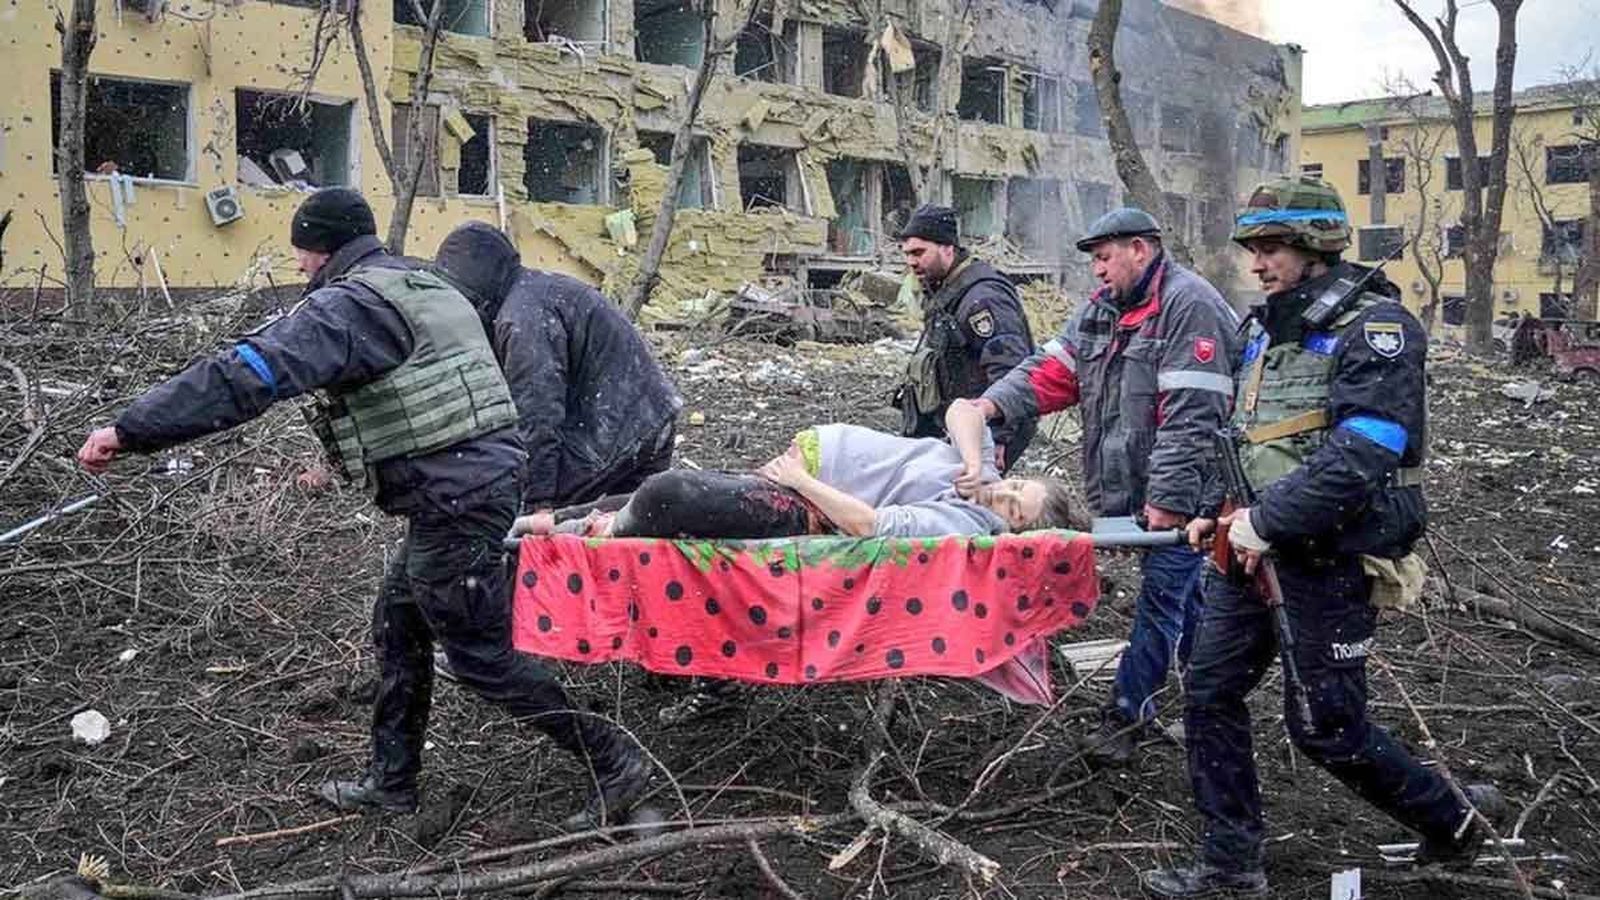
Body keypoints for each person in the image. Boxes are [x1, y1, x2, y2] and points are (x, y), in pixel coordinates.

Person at [75, 188, 650, 831]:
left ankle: (614, 758)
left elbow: (249, 374)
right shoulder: (418, 282)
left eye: (300, 252)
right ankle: (391, 782)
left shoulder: (350, 308)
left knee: (478, 655)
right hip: (471, 483)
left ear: (320, 250)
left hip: (456, 495)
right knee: (398, 622)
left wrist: (131, 431)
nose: (297, 267)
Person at [1141, 177, 1503, 897]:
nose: (1258, 262)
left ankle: (1453, 825)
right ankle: (1230, 865)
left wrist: (1265, 522)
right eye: (1254, 248)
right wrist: (1221, 512)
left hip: (1327, 556)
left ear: (1313, 247)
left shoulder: (1377, 330)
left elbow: (1365, 452)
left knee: (1327, 728)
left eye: (1271, 247)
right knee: (1208, 691)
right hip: (1249, 551)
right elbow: (1249, 440)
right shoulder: (1263, 329)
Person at [953, 207, 1238, 765]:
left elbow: (1194, 416)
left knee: (1162, 597)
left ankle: (1126, 718)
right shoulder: (1103, 311)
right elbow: (1051, 371)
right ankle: (1213, 691)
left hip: (1190, 491)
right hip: (1131, 489)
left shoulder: (1190, 306)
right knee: (1185, 594)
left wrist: (1170, 501)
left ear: (1141, 248)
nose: (1098, 272)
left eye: (1105, 259)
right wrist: (989, 406)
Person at [433, 221, 682, 512]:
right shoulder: (535, 291)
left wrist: (537, 501)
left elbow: (537, 414)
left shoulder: (523, 318)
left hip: (619, 428)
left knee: (523, 521)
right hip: (647, 415)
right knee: (624, 533)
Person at [520, 422, 1086, 541]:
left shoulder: (962, 522)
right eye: (1017, 487)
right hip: (798, 476)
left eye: (1013, 510)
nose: (1002, 496)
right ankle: (541, 523)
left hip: (804, 505)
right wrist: (969, 456)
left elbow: (868, 524)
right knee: (658, 491)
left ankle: (594, 534)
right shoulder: (980, 471)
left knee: (665, 494)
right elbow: (966, 408)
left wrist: (800, 480)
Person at [892, 204, 1036, 470]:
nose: (911, 262)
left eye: (919, 252)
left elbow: (1009, 369)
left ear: (948, 248)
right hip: (956, 427)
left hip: (982, 430)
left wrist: (998, 436)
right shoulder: (946, 291)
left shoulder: (982, 297)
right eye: (907, 254)